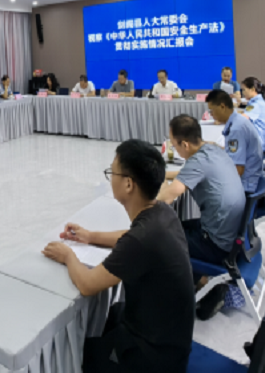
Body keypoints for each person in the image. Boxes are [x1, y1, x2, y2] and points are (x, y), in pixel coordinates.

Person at [42, 139, 194, 373]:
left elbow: (87, 284)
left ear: (128, 184)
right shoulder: (162, 212)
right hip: (169, 337)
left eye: (113, 172)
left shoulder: (142, 239)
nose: (110, 177)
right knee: (111, 315)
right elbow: (129, 236)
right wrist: (91, 236)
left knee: (78, 355)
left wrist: (68, 255)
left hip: (154, 357)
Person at [157, 115, 245, 320]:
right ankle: (202, 282)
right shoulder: (213, 149)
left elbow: (166, 198)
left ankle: (202, 288)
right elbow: (188, 173)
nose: (174, 149)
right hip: (231, 234)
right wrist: (165, 174)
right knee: (178, 224)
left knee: (162, 237)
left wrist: (157, 184)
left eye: (174, 144)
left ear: (185, 144)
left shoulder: (197, 161)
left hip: (217, 244)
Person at [206, 90, 265, 193]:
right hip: (251, 178)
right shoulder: (238, 120)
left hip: (245, 185)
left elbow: (237, 170)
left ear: (222, 107)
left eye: (212, 110)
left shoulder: (236, 129)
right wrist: (216, 147)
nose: (211, 114)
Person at [241, 77, 265, 152]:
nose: (243, 93)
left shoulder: (256, 105)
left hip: (258, 148)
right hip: (260, 143)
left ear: (252, 89)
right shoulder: (259, 101)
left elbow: (240, 120)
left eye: (244, 90)